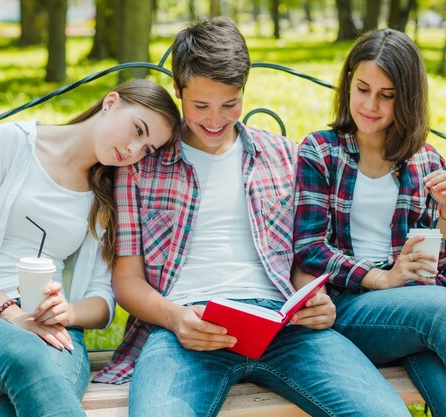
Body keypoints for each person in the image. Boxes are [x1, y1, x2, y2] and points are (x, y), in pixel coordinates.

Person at [92, 18, 411, 417]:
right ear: (178, 91)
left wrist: (314, 297)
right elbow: (127, 281)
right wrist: (176, 319)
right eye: (200, 106)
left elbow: (300, 257)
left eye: (229, 104)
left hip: (281, 327)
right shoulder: (143, 165)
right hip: (187, 328)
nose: (214, 119)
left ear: (244, 90)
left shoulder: (281, 154)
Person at [0, 79, 181, 417]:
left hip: (53, 331)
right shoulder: (6, 144)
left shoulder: (106, 194)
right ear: (111, 102)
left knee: (31, 389)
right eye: (137, 130)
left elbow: (102, 298)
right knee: (28, 356)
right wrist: (11, 313)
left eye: (147, 149)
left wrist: (68, 313)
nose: (133, 150)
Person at [293, 28, 446, 416]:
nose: (370, 105)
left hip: (413, 315)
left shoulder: (425, 161)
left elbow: (439, 258)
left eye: (387, 96)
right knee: (443, 308)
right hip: (349, 307)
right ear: (348, 83)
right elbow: (310, 247)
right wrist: (381, 278)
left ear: (407, 100)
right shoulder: (321, 151)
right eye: (363, 89)